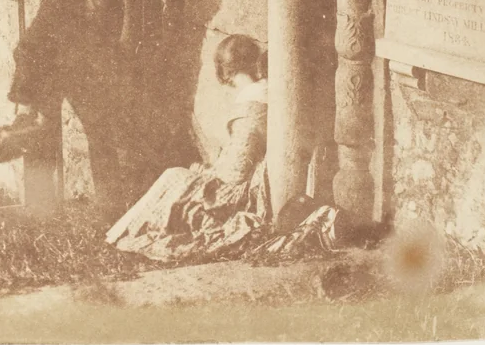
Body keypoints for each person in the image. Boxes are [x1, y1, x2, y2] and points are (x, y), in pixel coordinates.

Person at [0, 0, 241, 216]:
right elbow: (32, 43)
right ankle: (40, 212)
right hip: (49, 69)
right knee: (40, 138)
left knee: (103, 138)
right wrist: (26, 99)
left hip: (89, 73)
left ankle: (110, 214)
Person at [105, 34, 343, 263]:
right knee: (180, 176)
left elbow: (236, 172)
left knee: (173, 176)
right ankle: (125, 233)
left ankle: (121, 237)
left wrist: (206, 173)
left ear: (225, 71)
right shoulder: (268, 92)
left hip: (242, 193)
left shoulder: (251, 105)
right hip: (254, 179)